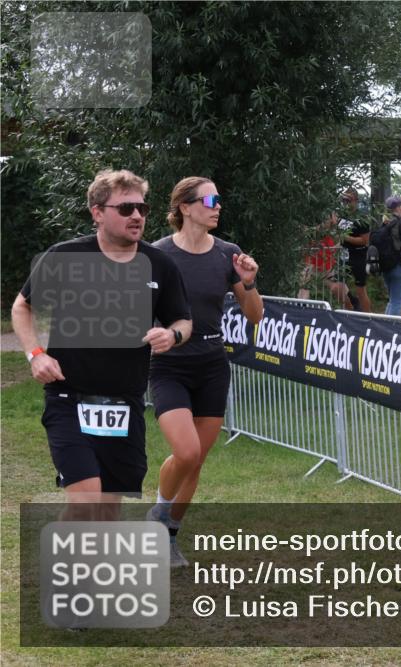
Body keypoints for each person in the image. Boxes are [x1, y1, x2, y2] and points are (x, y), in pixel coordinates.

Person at [10, 169, 192, 521]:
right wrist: (35, 355)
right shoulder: (66, 256)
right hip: (69, 397)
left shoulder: (159, 265)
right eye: (125, 209)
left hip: (125, 402)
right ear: (97, 212)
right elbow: (22, 306)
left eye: (142, 208)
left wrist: (173, 335)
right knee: (85, 501)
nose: (137, 216)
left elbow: (182, 320)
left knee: (109, 508)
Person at [145, 177, 264, 567]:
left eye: (218, 199)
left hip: (212, 364)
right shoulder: (158, 255)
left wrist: (248, 282)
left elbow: (255, 314)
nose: (217, 206)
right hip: (169, 366)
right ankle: (158, 516)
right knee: (186, 450)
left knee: (196, 460)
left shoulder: (228, 254)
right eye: (210, 199)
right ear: (184, 207)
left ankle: (170, 536)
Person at [297, 212, 357, 310]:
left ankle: (351, 302)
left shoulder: (330, 213)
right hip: (314, 255)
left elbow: (340, 226)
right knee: (305, 280)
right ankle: (301, 305)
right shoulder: (309, 211)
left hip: (325, 255)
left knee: (332, 284)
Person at [337, 188, 372, 312]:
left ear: (356, 201)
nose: (345, 203)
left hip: (358, 257)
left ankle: (369, 319)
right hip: (343, 256)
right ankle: (350, 307)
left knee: (360, 290)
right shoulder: (341, 217)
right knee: (338, 287)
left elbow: (364, 240)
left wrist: (345, 237)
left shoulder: (362, 218)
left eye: (348, 200)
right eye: (343, 200)